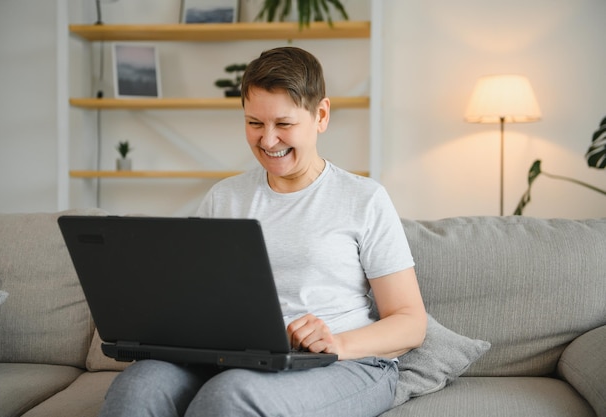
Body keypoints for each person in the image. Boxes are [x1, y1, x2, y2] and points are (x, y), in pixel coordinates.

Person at [98, 46, 427, 417]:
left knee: (230, 396)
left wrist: (336, 342)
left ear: (320, 115)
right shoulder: (224, 199)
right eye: (255, 123)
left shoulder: (364, 199)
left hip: (346, 363)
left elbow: (410, 322)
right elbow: (197, 301)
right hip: (239, 358)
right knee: (137, 387)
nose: (268, 140)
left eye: (283, 124)